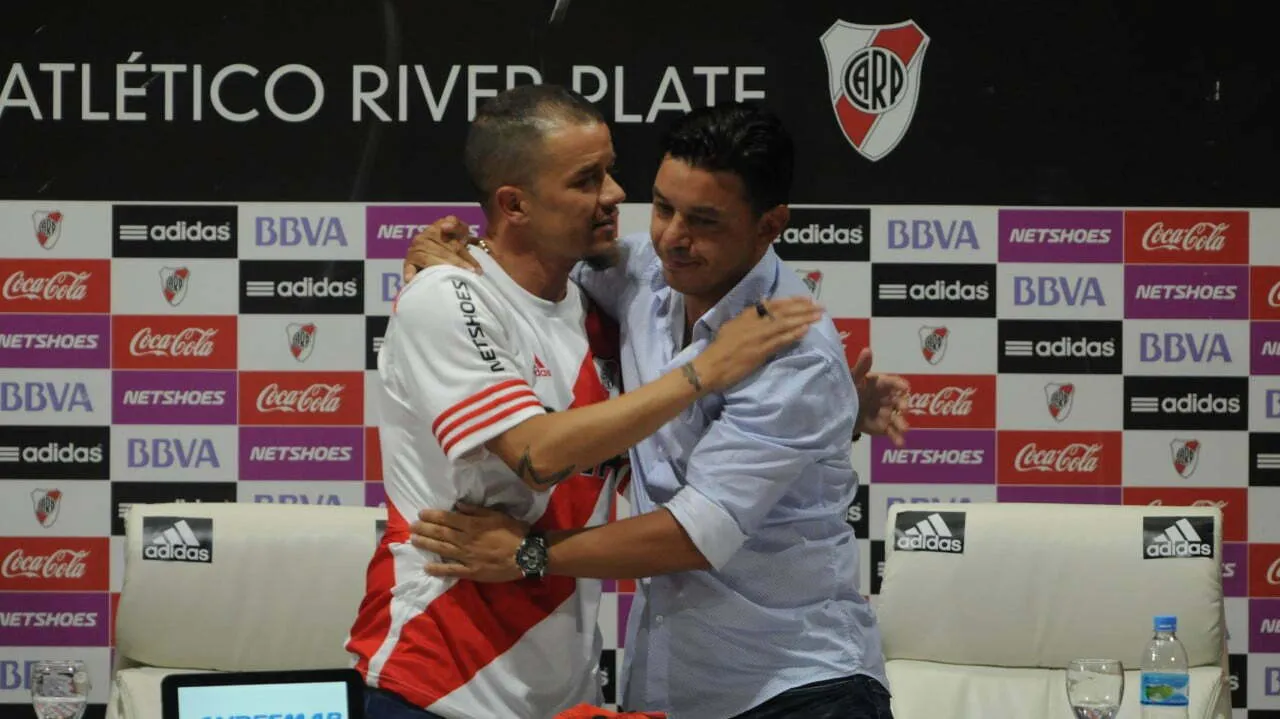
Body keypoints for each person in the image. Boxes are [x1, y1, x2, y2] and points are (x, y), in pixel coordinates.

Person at [404, 98, 911, 719]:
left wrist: (529, 553)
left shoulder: (795, 355)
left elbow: (697, 534)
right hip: (673, 686)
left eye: (704, 221)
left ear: (770, 225)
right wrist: (455, 256)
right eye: (664, 207)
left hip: (799, 687)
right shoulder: (646, 271)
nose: (672, 237)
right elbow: (536, 263)